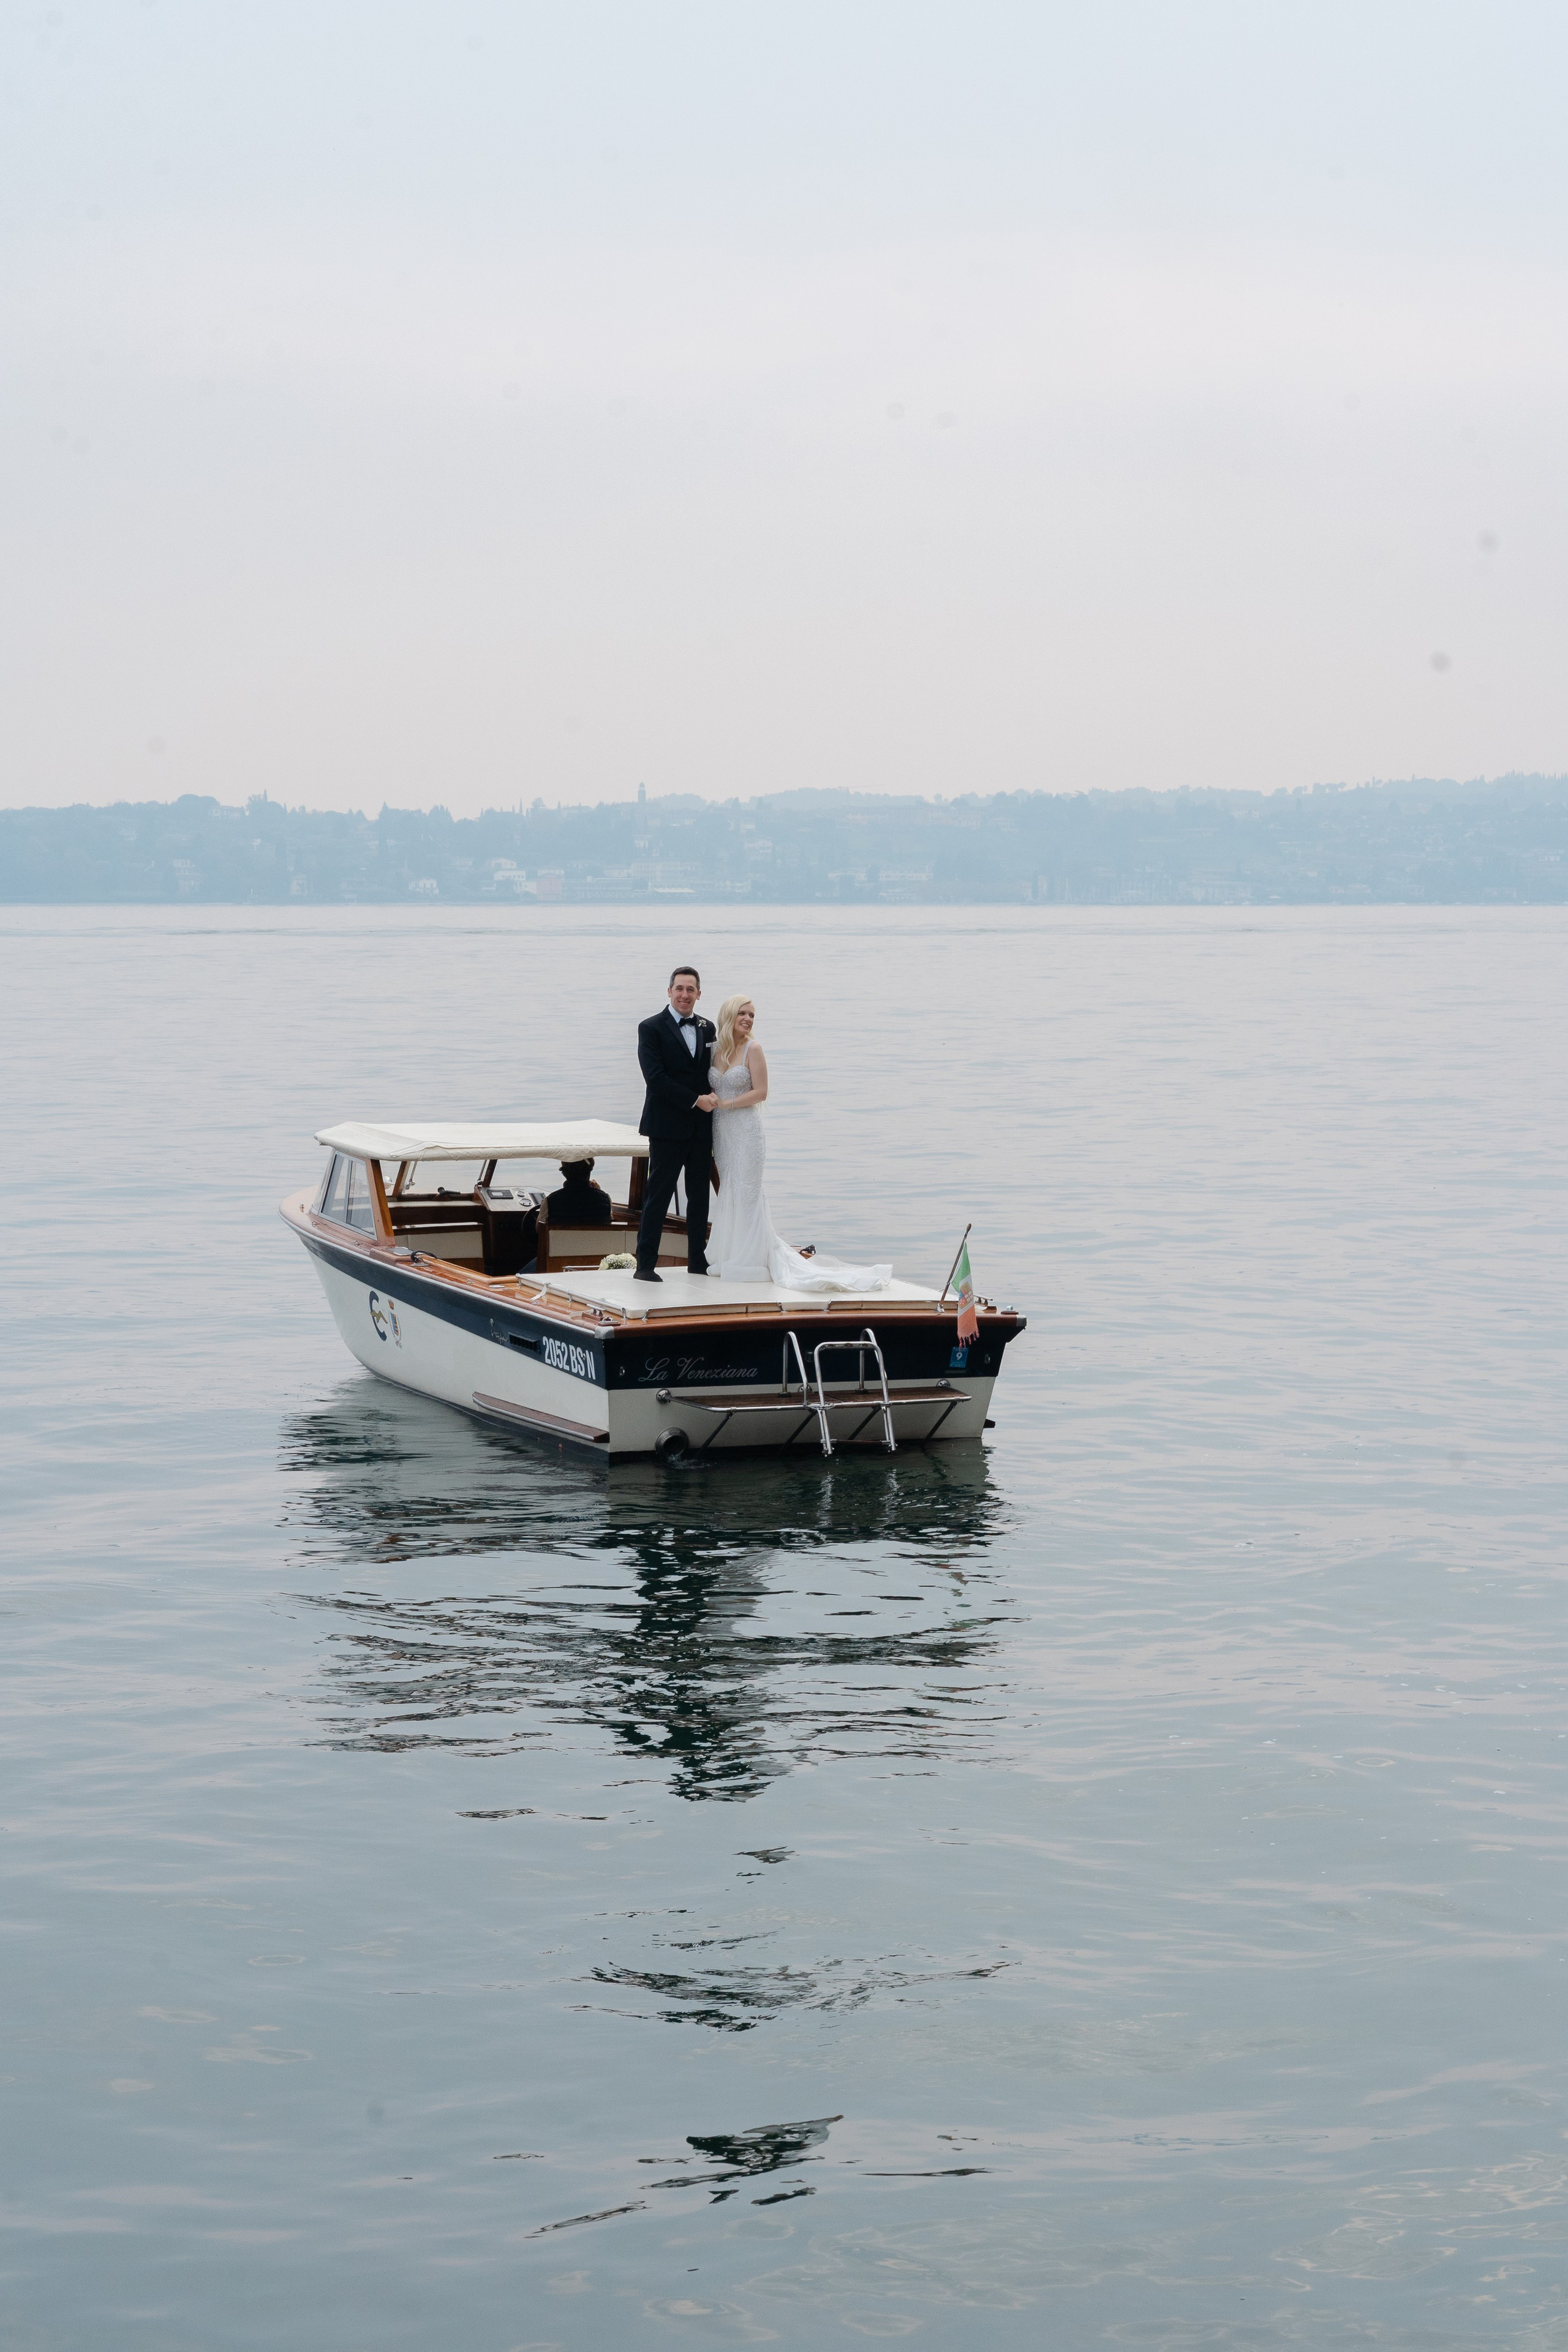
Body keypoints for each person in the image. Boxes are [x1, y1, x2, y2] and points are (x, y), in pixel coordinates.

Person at [707, 993, 892, 1292]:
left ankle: (749, 1260)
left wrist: (725, 1104)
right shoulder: (714, 1050)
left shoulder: (753, 1049)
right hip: (722, 1133)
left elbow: (762, 1092)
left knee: (748, 1193)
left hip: (746, 1130)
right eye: (743, 1013)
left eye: (752, 1015)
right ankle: (728, 1255)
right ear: (729, 1015)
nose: (748, 1019)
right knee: (729, 1188)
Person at [635, 965, 718, 1281]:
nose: (685, 995)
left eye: (691, 990)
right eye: (680, 989)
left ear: (699, 994)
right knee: (659, 1195)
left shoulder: (708, 1028)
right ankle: (645, 1267)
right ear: (669, 991)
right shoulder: (650, 1027)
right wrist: (696, 1099)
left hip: (701, 1128)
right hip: (666, 1126)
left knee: (699, 1196)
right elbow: (655, 1079)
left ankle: (698, 1261)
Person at [546, 1158, 612, 1227]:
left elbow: (540, 1229)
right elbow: (609, 1223)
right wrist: (600, 1192)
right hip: (595, 1238)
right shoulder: (605, 1200)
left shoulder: (550, 1200)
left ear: (564, 1173)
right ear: (589, 1172)